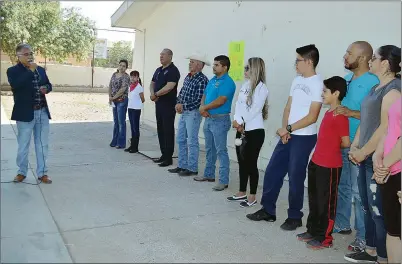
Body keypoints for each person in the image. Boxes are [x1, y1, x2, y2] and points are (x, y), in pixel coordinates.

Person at [246, 44, 323, 231]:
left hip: (304, 137)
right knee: (273, 171)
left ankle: (295, 216)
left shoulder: (318, 83)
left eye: (298, 60)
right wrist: (284, 129)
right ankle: (268, 210)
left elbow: (313, 116)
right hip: (288, 134)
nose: (295, 64)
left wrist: (289, 128)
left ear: (309, 61)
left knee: (296, 177)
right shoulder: (296, 81)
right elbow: (288, 107)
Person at [346, 45, 401, 264]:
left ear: (386, 63)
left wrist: (365, 153)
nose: (370, 61)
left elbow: (385, 129)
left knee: (380, 213)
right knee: (366, 205)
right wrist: (356, 146)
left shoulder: (394, 90)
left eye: (374, 59)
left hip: (380, 159)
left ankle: (383, 256)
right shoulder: (376, 87)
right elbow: (366, 120)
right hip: (368, 156)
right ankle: (370, 250)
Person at [333, 41, 379, 252]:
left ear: (362, 58)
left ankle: (363, 237)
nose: (345, 56)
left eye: (349, 53)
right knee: (342, 187)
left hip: (359, 148)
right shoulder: (347, 79)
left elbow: (377, 117)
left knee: (358, 193)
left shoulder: (374, 82)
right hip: (341, 144)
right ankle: (342, 223)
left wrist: (350, 113)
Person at [296, 76, 350, 249]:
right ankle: (312, 230)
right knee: (314, 199)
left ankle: (325, 237)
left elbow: (346, 143)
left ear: (336, 93)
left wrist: (332, 148)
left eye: (325, 91)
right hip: (316, 162)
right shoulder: (328, 112)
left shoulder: (341, 117)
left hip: (330, 166)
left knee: (326, 203)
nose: (322, 94)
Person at [6, 43, 53, 184]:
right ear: (18, 56)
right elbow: (16, 85)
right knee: (23, 145)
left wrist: (46, 88)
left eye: (31, 53)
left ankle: (42, 173)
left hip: (42, 112)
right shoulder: (12, 71)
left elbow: (49, 84)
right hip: (25, 114)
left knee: (42, 144)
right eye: (26, 54)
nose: (30, 56)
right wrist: (30, 71)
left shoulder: (40, 69)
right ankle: (21, 172)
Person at [227, 57, 269, 207]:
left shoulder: (261, 88)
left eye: (247, 68)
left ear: (255, 69)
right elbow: (238, 105)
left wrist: (242, 121)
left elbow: (255, 109)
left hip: (254, 131)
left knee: (251, 163)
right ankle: (241, 191)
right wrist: (237, 121)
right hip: (241, 128)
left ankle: (252, 196)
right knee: (242, 161)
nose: (245, 70)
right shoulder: (245, 85)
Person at [194, 55, 236, 191]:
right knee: (209, 149)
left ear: (225, 67)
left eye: (217, 65)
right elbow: (205, 95)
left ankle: (223, 180)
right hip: (209, 118)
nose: (214, 67)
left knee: (221, 150)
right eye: (214, 64)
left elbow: (221, 100)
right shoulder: (213, 80)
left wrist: (204, 108)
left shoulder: (228, 82)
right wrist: (202, 107)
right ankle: (209, 174)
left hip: (220, 120)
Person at [168, 52, 210, 176]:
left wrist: (182, 106)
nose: (189, 64)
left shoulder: (202, 80)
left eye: (192, 62)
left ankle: (192, 168)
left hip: (193, 113)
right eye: (190, 61)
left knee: (192, 141)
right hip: (184, 112)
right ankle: (182, 165)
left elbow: (198, 100)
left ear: (199, 65)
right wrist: (178, 103)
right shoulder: (188, 77)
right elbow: (182, 93)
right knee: (181, 139)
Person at [372, 92, 401, 264]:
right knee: (393, 231)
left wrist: (383, 167)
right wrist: (377, 155)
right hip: (390, 171)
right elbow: (389, 130)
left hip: (395, 171)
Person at [150, 49, 181, 167]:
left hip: (168, 105)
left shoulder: (173, 70)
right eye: (160, 54)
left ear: (170, 56)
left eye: (163, 54)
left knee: (168, 130)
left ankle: (169, 157)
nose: (161, 56)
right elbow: (152, 83)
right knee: (160, 130)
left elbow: (169, 87)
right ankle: (163, 154)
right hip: (158, 104)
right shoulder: (158, 70)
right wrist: (153, 94)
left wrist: (156, 94)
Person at [109, 59, 130, 149]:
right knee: (116, 121)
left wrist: (114, 97)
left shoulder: (126, 77)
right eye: (120, 65)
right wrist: (110, 97)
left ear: (126, 68)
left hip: (121, 101)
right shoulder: (114, 74)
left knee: (121, 122)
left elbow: (123, 89)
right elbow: (110, 85)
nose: (121, 67)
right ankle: (114, 141)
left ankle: (121, 143)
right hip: (114, 101)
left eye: (124, 66)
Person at [124, 71, 145, 153]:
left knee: (136, 128)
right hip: (130, 108)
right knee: (132, 127)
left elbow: (143, 99)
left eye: (134, 76)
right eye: (131, 76)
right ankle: (132, 145)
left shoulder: (139, 87)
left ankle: (135, 147)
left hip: (136, 109)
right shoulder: (130, 86)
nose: (132, 78)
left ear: (138, 78)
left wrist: (137, 104)